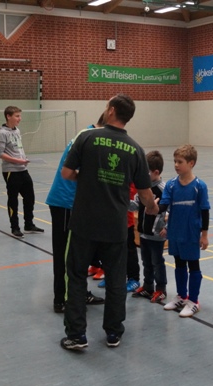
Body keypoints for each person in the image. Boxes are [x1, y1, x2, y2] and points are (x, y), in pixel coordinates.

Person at [59, 94, 158, 351]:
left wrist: (87, 177)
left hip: (84, 223)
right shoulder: (135, 149)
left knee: (76, 276)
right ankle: (113, 332)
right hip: (115, 225)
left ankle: (77, 335)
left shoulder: (86, 137)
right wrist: (152, 207)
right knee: (116, 279)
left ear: (111, 110)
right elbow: (146, 194)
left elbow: (67, 173)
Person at [45, 117, 106, 314]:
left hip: (77, 204)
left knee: (79, 253)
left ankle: (79, 293)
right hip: (65, 203)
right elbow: (74, 172)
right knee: (64, 254)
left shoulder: (90, 136)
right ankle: (62, 299)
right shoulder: (88, 138)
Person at [160, 144, 211, 318]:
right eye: (174, 161)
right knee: (179, 263)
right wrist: (152, 206)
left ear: (191, 163)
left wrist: (204, 235)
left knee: (193, 265)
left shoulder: (199, 186)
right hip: (175, 231)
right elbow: (164, 205)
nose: (176, 165)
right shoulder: (171, 185)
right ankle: (182, 296)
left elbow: (205, 211)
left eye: (179, 162)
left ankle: (194, 301)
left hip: (191, 232)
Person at [0, 106, 45, 238]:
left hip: (23, 169)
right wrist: (17, 161)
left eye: (20, 116)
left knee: (30, 197)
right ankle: (15, 227)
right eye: (17, 116)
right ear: (8, 116)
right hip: (11, 171)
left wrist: (24, 159)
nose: (20, 119)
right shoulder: (2, 133)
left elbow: (18, 149)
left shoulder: (17, 130)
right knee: (13, 200)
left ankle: (29, 224)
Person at [130, 150, 168, 303]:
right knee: (146, 262)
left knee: (157, 262)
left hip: (157, 235)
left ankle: (161, 289)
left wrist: (167, 227)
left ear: (156, 172)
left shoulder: (164, 190)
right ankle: (148, 286)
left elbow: (171, 210)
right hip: (144, 232)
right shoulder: (143, 188)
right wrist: (123, 201)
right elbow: (135, 205)